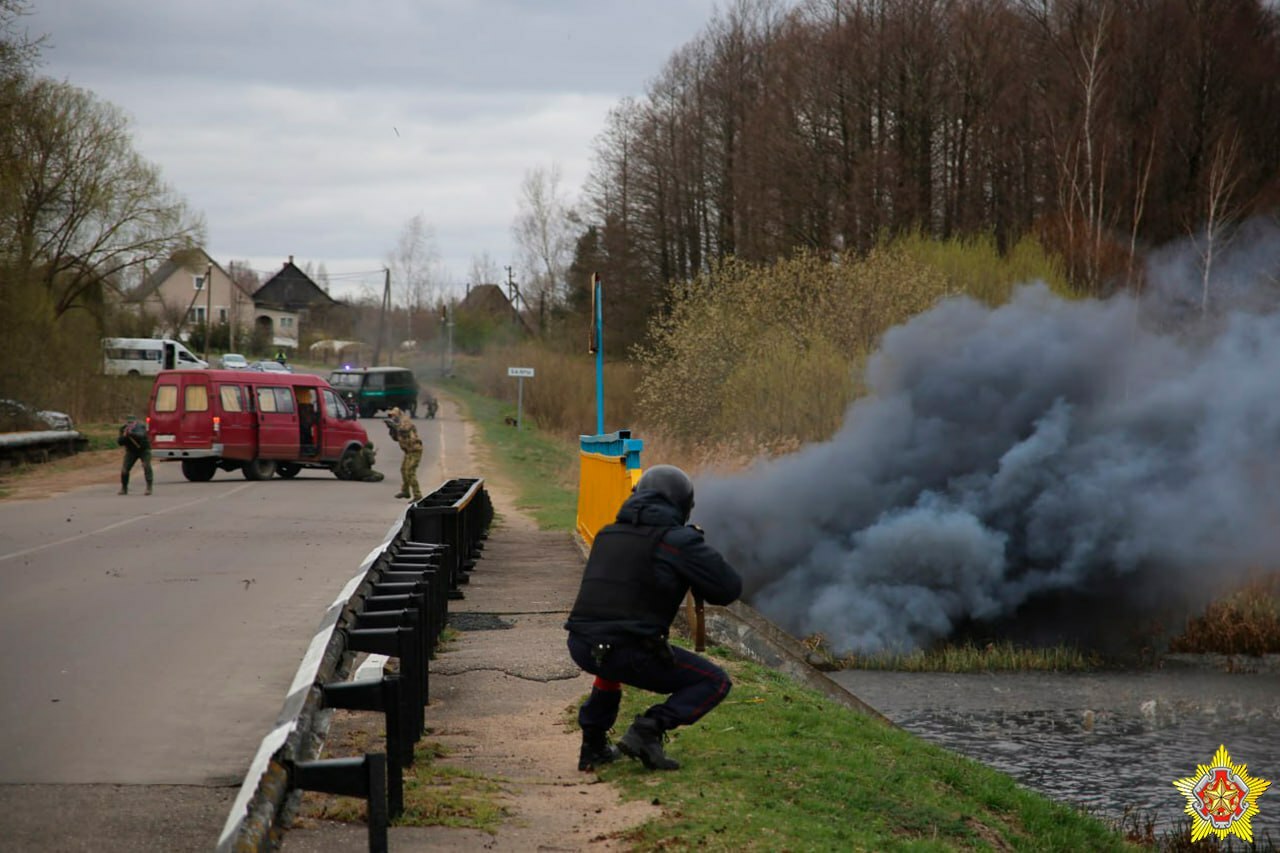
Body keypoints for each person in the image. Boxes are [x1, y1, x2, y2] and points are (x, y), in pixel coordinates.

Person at [565, 464, 742, 772]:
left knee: (609, 659)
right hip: (626, 651)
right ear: (683, 505)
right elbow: (728, 589)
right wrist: (694, 553)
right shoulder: (676, 541)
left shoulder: (608, 533)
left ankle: (592, 747)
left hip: (582, 646)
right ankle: (648, 729)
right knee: (714, 681)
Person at [385, 407, 422, 500]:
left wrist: (395, 426)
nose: (392, 417)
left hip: (415, 450)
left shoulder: (405, 421)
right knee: (403, 470)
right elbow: (396, 439)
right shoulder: (398, 424)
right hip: (408, 451)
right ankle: (405, 491)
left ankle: (417, 495)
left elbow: (405, 430)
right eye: (391, 416)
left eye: (394, 415)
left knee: (410, 472)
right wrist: (391, 430)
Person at [117, 415, 153, 496]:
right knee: (124, 470)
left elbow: (141, 436)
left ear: (135, 422)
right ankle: (124, 488)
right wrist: (124, 436)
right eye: (128, 423)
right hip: (131, 451)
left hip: (143, 450)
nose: (130, 424)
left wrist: (131, 434)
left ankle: (149, 487)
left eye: (132, 423)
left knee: (146, 466)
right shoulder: (123, 429)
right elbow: (119, 442)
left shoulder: (141, 427)